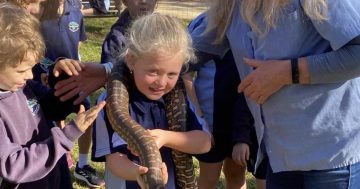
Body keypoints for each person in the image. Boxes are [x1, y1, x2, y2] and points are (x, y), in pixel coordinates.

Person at [190, 0, 360, 188]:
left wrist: (288, 72)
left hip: (329, 160)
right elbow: (187, 54)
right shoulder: (232, 5)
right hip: (279, 158)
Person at [91, 13, 212, 189]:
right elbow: (113, 160)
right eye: (153, 72)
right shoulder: (108, 104)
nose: (162, 82)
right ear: (131, 61)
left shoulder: (180, 98)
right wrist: (137, 172)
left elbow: (205, 143)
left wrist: (166, 137)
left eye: (172, 74)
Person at [0, 2, 105, 189]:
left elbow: (53, 107)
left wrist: (61, 77)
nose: (31, 75)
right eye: (22, 70)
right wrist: (66, 136)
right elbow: (12, 165)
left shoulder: (24, 86)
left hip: (55, 177)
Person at [185, 13, 266, 189]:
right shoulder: (206, 24)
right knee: (209, 177)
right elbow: (184, 71)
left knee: (236, 174)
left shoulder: (257, 21)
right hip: (212, 119)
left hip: (244, 117)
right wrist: (199, 118)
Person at [33, 0, 105, 187]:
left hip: (74, 77)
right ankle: (60, 152)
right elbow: (32, 46)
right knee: (52, 117)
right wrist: (46, 70)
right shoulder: (38, 10)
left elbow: (77, 47)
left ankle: (82, 164)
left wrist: (77, 66)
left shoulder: (76, 12)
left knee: (86, 114)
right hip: (46, 76)